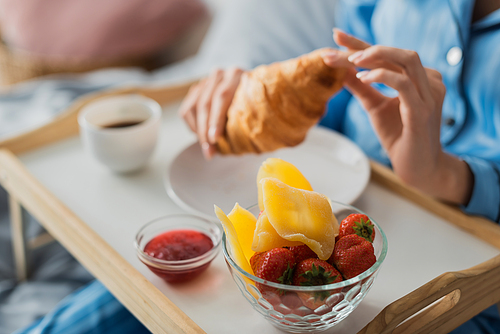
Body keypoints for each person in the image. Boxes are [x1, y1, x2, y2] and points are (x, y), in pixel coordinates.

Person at [14, 0, 500, 333]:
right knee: (112, 305)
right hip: (311, 240)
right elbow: (340, 98)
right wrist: (253, 100)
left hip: (449, 284)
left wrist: (450, 177)